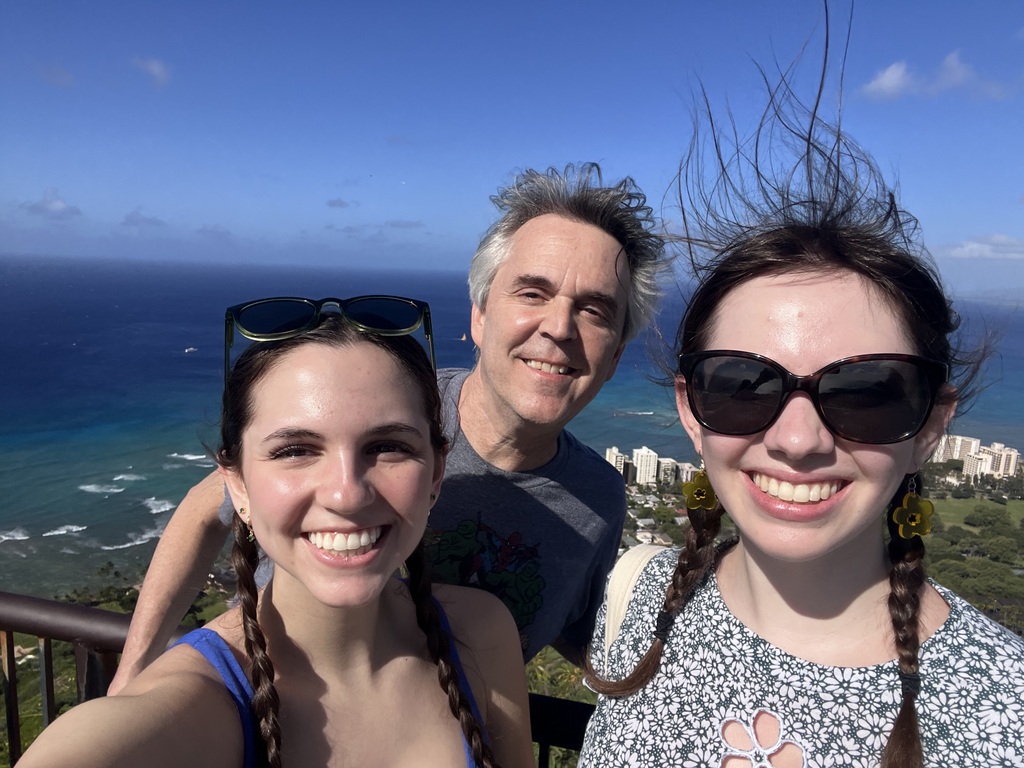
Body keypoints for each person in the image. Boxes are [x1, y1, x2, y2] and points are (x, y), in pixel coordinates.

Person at [578, 63, 1024, 767]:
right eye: (742, 385)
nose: (796, 439)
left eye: (866, 392)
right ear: (691, 412)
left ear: (932, 424)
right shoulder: (638, 596)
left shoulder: (1004, 713)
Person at [107, 163, 668, 696]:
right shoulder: (384, 415)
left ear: (615, 356)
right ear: (479, 316)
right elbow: (206, 508)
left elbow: (577, 629)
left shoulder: (598, 497)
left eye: (595, 311)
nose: (559, 328)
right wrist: (131, 674)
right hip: (274, 713)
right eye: (532, 293)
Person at [21, 309, 533, 768]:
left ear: (436, 474)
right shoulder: (197, 700)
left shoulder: (480, 632)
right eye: (295, 451)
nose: (347, 493)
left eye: (387, 445)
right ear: (237, 486)